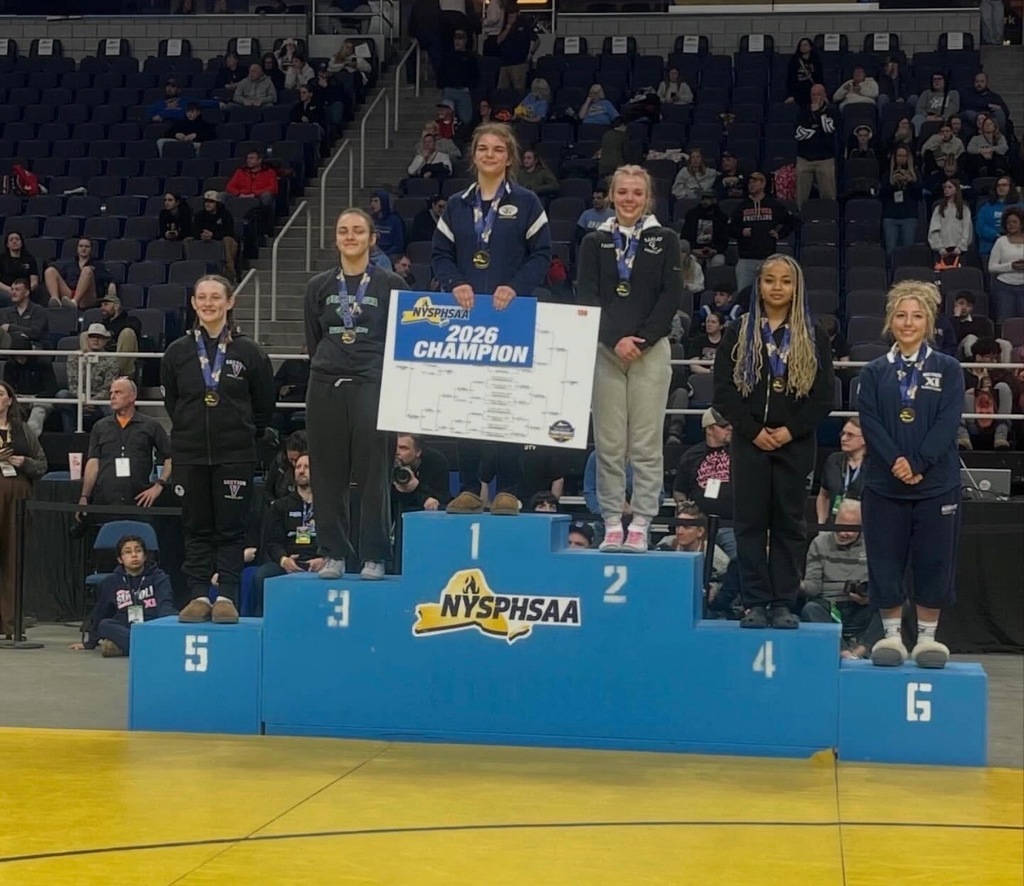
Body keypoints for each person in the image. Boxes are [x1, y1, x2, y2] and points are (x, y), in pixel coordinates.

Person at [431, 122, 551, 509]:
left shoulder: (528, 202)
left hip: (511, 316)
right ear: (473, 155)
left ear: (509, 157)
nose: (490, 155)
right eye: (483, 148)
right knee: (466, 403)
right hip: (467, 319)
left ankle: (508, 490)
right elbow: (439, 255)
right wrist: (454, 283)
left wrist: (515, 286)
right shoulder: (457, 204)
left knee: (506, 403)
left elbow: (542, 255)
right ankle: (468, 488)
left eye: (498, 149)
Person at [713, 254, 834, 628]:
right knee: (749, 524)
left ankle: (783, 602)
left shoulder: (812, 334)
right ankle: (754, 602)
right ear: (759, 285)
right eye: (769, 280)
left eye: (785, 280)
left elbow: (823, 397)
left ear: (797, 287)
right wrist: (752, 431)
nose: (777, 287)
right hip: (750, 442)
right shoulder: (739, 332)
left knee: (789, 524)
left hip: (794, 444)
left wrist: (789, 430)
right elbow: (723, 391)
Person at [856, 280, 964, 668]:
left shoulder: (948, 369)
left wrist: (918, 462)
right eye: (901, 315)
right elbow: (870, 421)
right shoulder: (873, 372)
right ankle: (890, 636)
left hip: (936, 485)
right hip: (884, 485)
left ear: (929, 322)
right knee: (885, 561)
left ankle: (928, 639)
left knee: (934, 562)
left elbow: (948, 421)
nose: (908, 322)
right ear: (890, 320)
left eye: (917, 316)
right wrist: (896, 462)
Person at [577, 165, 680, 553]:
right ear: (611, 196)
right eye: (622, 192)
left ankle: (641, 521)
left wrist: (644, 339)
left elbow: (671, 295)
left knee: (646, 442)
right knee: (608, 443)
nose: (629, 199)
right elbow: (587, 296)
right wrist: (614, 339)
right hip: (605, 351)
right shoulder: (595, 241)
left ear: (648, 198)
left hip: (650, 351)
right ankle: (611, 521)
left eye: (637, 192)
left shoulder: (665, 239)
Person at [161, 275, 274, 624]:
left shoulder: (249, 351)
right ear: (194, 303)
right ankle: (197, 595)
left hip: (234, 454)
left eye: (215, 297)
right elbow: (173, 402)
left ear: (229, 302)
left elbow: (264, 406)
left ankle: (226, 595)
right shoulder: (177, 352)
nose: (208, 303)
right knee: (196, 528)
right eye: (202, 297)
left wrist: (241, 433)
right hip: (190, 454)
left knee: (230, 529)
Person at [304, 209, 406, 580]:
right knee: (327, 475)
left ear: (372, 239)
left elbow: (401, 339)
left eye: (358, 231)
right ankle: (333, 553)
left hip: (372, 383)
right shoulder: (318, 285)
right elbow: (314, 339)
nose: (350, 236)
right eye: (343, 230)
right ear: (336, 238)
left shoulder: (392, 284)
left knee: (374, 474)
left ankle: (374, 554)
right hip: (325, 384)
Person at [76, 376, 172, 521]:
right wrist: (84, 496)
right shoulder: (100, 427)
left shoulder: (150, 426)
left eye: (118, 392)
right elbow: (93, 463)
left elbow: (170, 458)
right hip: (105, 501)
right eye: (111, 393)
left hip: (139, 500)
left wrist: (159, 485)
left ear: (132, 396)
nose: (112, 396)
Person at [800, 499, 880, 659]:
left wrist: (869, 597)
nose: (844, 533)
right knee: (810, 609)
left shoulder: (874, 543)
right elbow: (813, 587)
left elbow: (883, 584)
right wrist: (796, 584)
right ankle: (843, 652)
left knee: (895, 604)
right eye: (840, 526)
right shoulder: (819, 543)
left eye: (850, 529)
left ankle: (861, 650)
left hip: (862, 608)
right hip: (831, 607)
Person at [70, 535, 176, 657]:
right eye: (128, 552)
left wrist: (170, 628)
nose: (134, 555)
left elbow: (165, 605)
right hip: (126, 628)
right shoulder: (111, 582)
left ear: (145, 556)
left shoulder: (159, 578)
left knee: (170, 619)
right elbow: (101, 611)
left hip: (151, 626)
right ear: (120, 559)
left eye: (138, 551)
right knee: (105, 625)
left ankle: (130, 647)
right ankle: (149, 648)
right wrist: (90, 643)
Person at [0, 381, 47, 638]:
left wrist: (23, 462)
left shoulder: (23, 430)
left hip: (17, 495)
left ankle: (11, 623)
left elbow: (42, 465)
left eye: (0, 394)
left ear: (10, 400)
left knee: (13, 557)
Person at [253, 453, 323, 615]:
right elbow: (272, 542)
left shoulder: (328, 506)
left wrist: (324, 559)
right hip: (289, 562)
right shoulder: (280, 506)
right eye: (298, 467)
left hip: (319, 562)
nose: (301, 471)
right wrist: (284, 560)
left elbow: (337, 538)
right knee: (262, 575)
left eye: (306, 467)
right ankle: (268, 620)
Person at [672, 407, 736, 559]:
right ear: (710, 429)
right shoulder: (691, 455)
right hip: (698, 528)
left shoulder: (741, 453)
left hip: (731, 525)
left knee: (739, 561)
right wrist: (684, 508)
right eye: (723, 426)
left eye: (730, 425)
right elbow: (679, 489)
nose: (730, 428)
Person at [729, 172, 797, 296]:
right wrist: (740, 232)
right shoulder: (741, 207)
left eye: (755, 181)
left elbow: (792, 221)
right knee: (744, 295)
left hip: (768, 259)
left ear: (763, 184)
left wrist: (780, 234)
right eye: (750, 182)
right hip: (746, 260)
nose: (751, 184)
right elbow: (729, 228)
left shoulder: (773, 205)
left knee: (767, 295)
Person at [58, 324, 119, 433]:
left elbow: (108, 388)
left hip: (100, 400)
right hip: (78, 397)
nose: (96, 339)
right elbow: (73, 384)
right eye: (92, 336)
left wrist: (92, 401)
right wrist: (83, 400)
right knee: (62, 395)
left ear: (105, 340)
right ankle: (69, 434)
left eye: (99, 337)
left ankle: (108, 437)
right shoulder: (75, 357)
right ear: (87, 338)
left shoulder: (112, 360)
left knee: (112, 406)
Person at [816, 417, 866, 525]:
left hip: (865, 528)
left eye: (850, 435)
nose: (843, 438)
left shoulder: (875, 466)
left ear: (864, 439)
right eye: (842, 434)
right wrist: (821, 525)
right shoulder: (833, 460)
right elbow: (824, 495)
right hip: (834, 526)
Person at [794, 83, 837, 207]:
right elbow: (798, 134)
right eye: (813, 95)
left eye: (819, 94)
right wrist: (816, 129)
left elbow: (829, 130)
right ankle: (801, 216)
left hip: (825, 159)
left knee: (828, 197)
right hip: (804, 159)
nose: (816, 97)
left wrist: (818, 114)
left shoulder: (832, 112)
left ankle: (829, 217)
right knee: (801, 198)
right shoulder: (803, 112)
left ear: (824, 96)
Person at [391, 433, 451, 514]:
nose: (396, 452)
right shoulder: (385, 460)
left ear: (418, 451)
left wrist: (417, 486)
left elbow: (443, 500)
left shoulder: (436, 461)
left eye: (403, 448)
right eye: (393, 447)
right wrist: (422, 497)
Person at [44, 238, 109, 310]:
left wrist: (112, 284)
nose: (83, 249)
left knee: (87, 270)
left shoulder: (98, 265)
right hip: (70, 294)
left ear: (91, 250)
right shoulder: (69, 265)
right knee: (50, 271)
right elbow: (60, 278)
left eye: (87, 246)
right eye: (81, 246)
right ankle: (55, 300)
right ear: (77, 249)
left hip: (87, 297)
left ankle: (75, 301)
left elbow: (109, 278)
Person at [880, 145, 922, 257]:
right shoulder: (887, 174)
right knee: (890, 250)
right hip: (890, 216)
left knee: (908, 250)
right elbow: (881, 195)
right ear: (895, 157)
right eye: (899, 156)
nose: (902, 158)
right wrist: (892, 183)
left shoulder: (915, 174)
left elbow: (919, 195)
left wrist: (910, 182)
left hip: (909, 216)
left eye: (904, 156)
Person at [192, 191, 239, 283]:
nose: (207, 204)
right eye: (206, 201)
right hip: (203, 241)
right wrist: (202, 235)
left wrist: (213, 235)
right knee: (188, 240)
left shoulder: (225, 214)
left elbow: (229, 231)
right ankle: (191, 267)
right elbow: (194, 231)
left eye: (211, 202)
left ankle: (230, 272)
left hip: (221, 241)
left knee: (228, 240)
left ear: (217, 203)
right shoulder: (199, 215)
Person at [988, 207, 1024, 322]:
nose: (1011, 225)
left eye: (1014, 222)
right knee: (1005, 321)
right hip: (1004, 287)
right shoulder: (1001, 242)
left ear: (1021, 224)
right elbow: (991, 267)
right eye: (1008, 223)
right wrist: (1011, 266)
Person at [438, 30, 479, 127]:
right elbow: (441, 72)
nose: (457, 41)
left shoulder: (471, 57)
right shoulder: (447, 56)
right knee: (446, 118)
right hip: (449, 90)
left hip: (463, 91)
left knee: (466, 119)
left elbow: (475, 74)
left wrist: (470, 87)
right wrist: (442, 87)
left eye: (460, 39)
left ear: (465, 41)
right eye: (456, 39)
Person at [975, 177, 1022, 260]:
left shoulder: (1020, 206)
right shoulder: (986, 207)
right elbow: (981, 227)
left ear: (1010, 187)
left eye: (1004, 185)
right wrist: (996, 235)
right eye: (998, 185)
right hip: (989, 249)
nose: (1001, 187)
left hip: (1016, 249)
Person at [927, 178, 973, 262]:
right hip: (942, 251)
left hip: (959, 250)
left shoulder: (964, 209)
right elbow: (934, 230)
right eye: (945, 187)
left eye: (949, 187)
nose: (946, 189)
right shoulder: (939, 208)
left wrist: (960, 247)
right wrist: (940, 247)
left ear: (956, 189)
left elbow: (966, 230)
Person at [495, 5, 538, 92]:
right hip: (504, 63)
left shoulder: (524, 25)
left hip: (519, 63)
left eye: (513, 15)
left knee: (518, 90)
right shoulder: (505, 25)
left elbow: (536, 40)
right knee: (502, 91)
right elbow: (499, 41)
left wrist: (530, 54)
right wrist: (508, 27)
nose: (511, 18)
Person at [682, 190, 729, 269]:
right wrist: (693, 250)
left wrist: (714, 250)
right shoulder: (691, 215)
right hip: (695, 250)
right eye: (703, 199)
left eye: (708, 199)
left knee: (718, 261)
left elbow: (724, 239)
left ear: (714, 200)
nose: (705, 201)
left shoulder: (721, 217)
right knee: (691, 260)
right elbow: (685, 236)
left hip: (714, 251)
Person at [0, 278, 47, 350]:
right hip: (9, 349)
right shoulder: (4, 312)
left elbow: (35, 333)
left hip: (33, 349)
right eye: (12, 289)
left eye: (17, 289)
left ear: (26, 293)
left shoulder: (38, 310)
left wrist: (10, 327)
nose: (13, 292)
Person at [0, 232, 40, 299]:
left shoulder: (30, 259)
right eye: (11, 240)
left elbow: (34, 281)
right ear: (7, 244)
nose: (14, 241)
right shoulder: (1, 259)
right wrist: (11, 290)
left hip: (25, 292)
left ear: (21, 243)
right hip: (6, 291)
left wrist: (26, 291)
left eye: (17, 239)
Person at [786, 37, 823, 107]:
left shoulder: (816, 60)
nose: (803, 47)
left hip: (812, 91)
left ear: (810, 47)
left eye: (805, 45)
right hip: (799, 91)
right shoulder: (794, 60)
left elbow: (820, 78)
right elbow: (791, 79)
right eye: (801, 45)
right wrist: (791, 95)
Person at [369, 190, 406, 258]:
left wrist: (383, 254)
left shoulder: (395, 220)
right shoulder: (370, 219)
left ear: (383, 202)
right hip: (372, 253)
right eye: (371, 201)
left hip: (390, 254)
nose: (372, 204)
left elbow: (398, 245)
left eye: (376, 201)